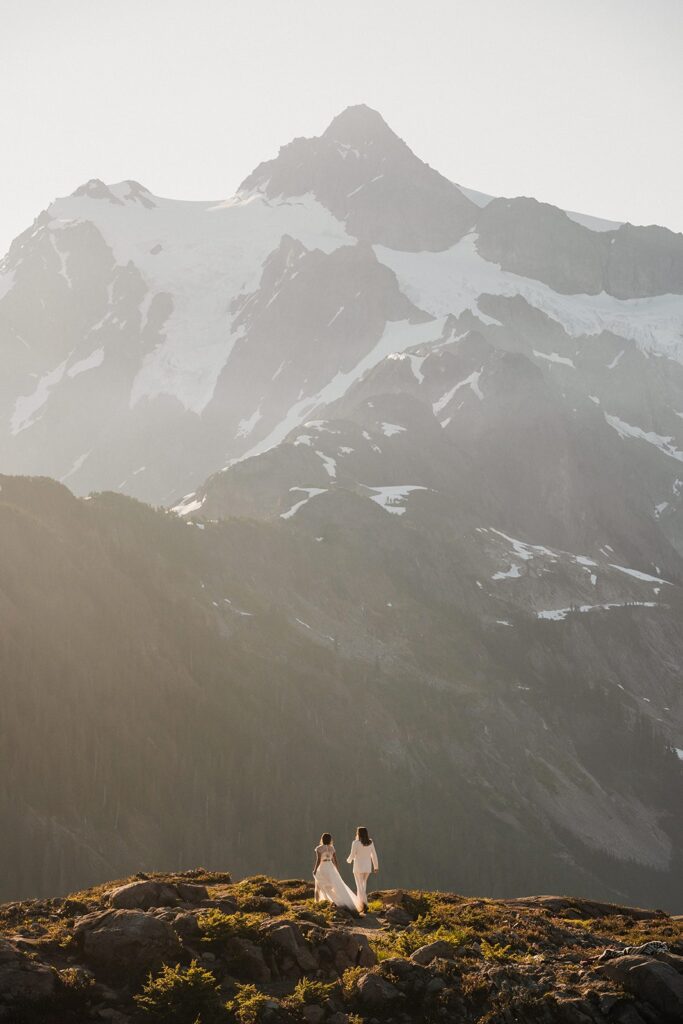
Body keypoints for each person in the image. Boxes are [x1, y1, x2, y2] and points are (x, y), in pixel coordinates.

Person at [313, 833, 362, 913]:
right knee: (334, 885)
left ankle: (318, 903)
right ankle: (338, 901)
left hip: (322, 867)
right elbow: (335, 860)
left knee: (319, 885)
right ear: (330, 840)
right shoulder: (332, 848)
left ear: (322, 839)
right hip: (331, 867)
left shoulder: (319, 848)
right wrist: (336, 870)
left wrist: (315, 869)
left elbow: (318, 860)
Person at [347, 826, 379, 911]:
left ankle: (364, 905)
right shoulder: (370, 842)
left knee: (359, 886)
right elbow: (374, 855)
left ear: (358, 833)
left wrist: (348, 860)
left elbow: (352, 855)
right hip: (367, 867)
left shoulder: (355, 843)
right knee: (363, 885)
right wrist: (376, 866)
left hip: (358, 867)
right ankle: (361, 904)